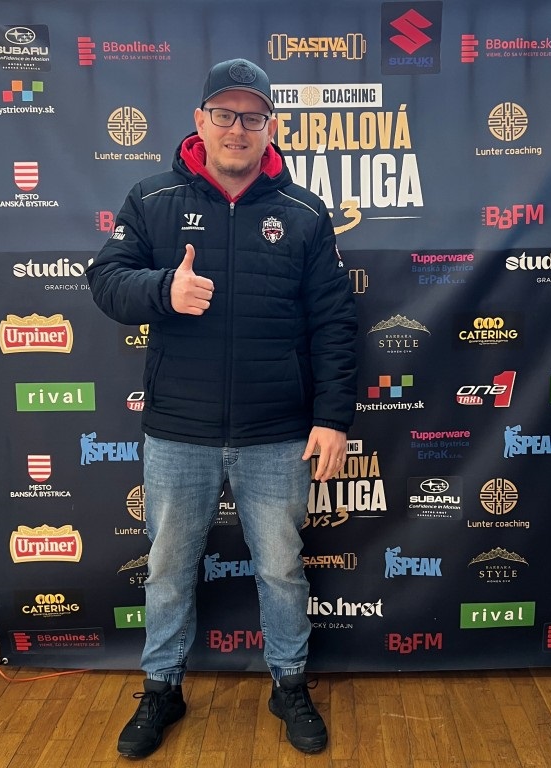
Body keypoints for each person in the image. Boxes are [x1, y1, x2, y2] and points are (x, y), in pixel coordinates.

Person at [86, 57, 358, 758]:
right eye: (225, 114)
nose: (239, 129)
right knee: (168, 571)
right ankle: (161, 689)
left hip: (277, 433)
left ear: (272, 127)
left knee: (282, 570)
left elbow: (334, 324)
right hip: (179, 432)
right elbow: (106, 280)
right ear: (200, 122)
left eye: (253, 117)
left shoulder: (304, 214)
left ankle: (289, 684)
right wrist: (163, 292)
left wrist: (332, 418)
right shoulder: (152, 199)